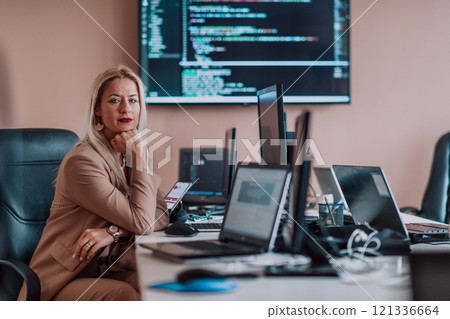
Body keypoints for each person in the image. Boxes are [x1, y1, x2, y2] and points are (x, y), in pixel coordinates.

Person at [18, 65, 169, 301]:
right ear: (97, 109)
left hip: (104, 269)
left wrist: (113, 233)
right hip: (64, 279)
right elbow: (143, 222)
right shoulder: (82, 162)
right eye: (114, 100)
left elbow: (160, 214)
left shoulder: (130, 153)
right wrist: (140, 160)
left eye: (133, 100)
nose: (126, 108)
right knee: (125, 295)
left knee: (160, 282)